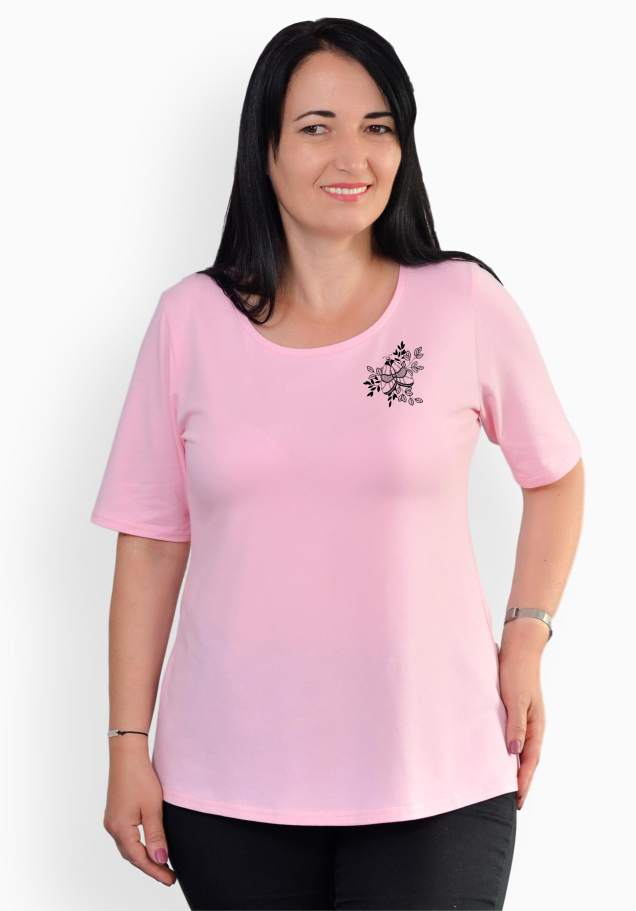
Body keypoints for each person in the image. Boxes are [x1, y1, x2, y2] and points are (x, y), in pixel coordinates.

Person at [91, 17, 585, 911]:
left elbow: (555, 474)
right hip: (228, 784)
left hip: (438, 773)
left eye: (378, 126)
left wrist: (526, 635)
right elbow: (153, 541)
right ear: (266, 148)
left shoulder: (463, 302)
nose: (351, 156)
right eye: (317, 127)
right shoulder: (189, 321)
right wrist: (128, 742)